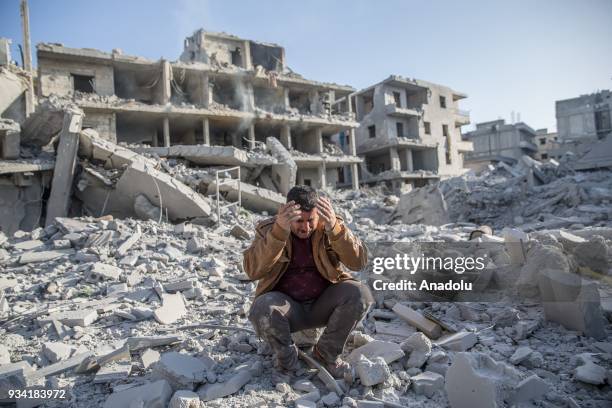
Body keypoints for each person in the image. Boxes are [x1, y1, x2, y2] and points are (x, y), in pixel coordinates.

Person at [243, 185, 373, 378]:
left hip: (323, 306)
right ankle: (287, 362)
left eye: (310, 220)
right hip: (287, 311)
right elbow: (252, 270)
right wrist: (279, 231)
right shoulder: (270, 229)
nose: (305, 227)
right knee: (261, 308)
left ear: (318, 215)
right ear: (287, 213)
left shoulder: (328, 226)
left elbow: (358, 262)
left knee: (360, 294)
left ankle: (326, 354)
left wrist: (335, 229)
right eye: (298, 221)